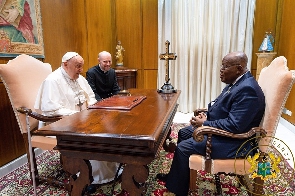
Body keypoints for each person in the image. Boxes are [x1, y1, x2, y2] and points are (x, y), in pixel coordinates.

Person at [156, 51, 266, 196]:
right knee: (184, 132)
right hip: (226, 133)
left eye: (225, 67)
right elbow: (222, 107)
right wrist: (207, 115)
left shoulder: (248, 90)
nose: (221, 70)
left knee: (183, 148)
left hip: (235, 143)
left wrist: (205, 123)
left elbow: (235, 126)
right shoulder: (237, 82)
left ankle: (178, 190)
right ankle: (180, 178)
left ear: (239, 68)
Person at [34, 52, 121, 192]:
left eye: (81, 66)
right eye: (78, 66)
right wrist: (77, 115)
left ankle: (111, 168)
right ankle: (92, 176)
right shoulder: (53, 81)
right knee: (94, 137)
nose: (81, 70)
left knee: (109, 126)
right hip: (60, 124)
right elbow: (50, 109)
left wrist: (93, 110)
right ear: (65, 65)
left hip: (83, 119)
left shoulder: (79, 78)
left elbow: (91, 97)